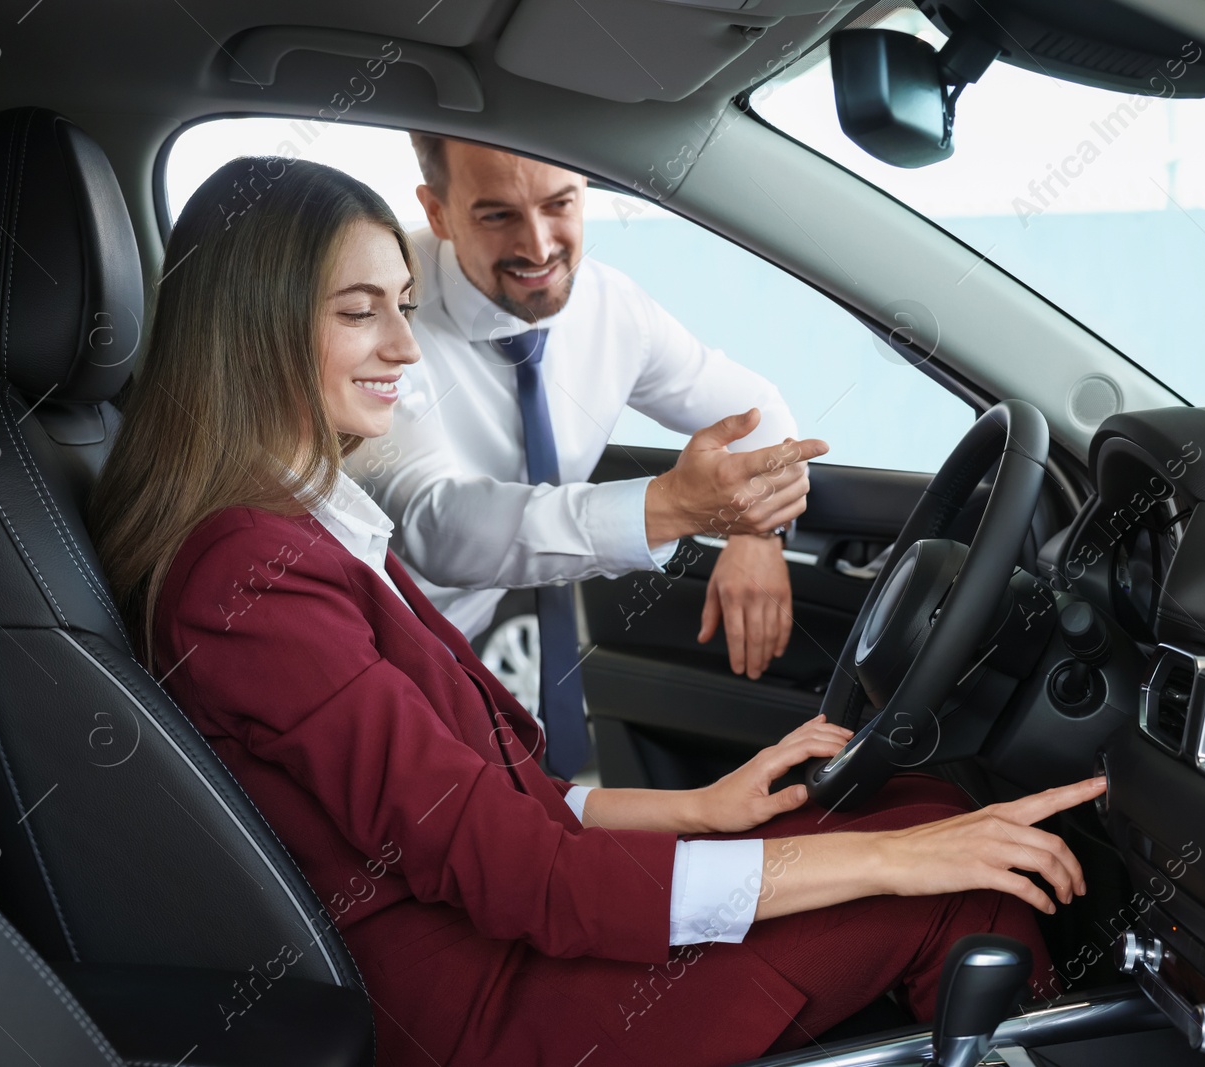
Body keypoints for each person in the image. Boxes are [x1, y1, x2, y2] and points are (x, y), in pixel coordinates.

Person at [90, 157, 1104, 1067]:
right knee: (954, 879)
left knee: (925, 808)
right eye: (361, 311)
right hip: (483, 1010)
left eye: (402, 302)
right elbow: (521, 870)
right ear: (254, 326)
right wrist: (890, 862)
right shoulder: (255, 576)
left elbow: (486, 804)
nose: (406, 343)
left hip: (494, 938)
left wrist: (699, 811)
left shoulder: (302, 525)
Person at [346, 135, 822, 774]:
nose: (539, 248)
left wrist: (755, 534)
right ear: (438, 213)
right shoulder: (384, 311)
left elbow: (757, 412)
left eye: (558, 204)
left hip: (474, 642)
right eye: (497, 215)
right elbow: (440, 525)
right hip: (370, 648)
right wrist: (674, 508)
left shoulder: (610, 305)